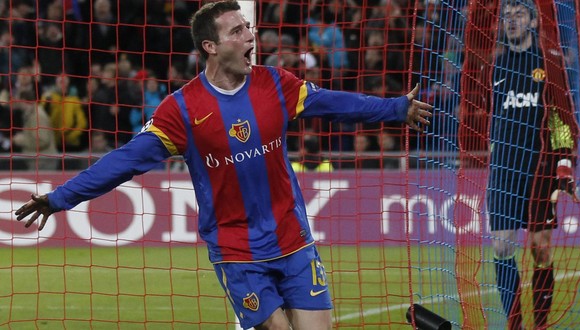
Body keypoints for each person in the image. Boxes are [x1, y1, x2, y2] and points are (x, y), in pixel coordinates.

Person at [14, 1, 432, 329]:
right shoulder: (181, 110)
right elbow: (124, 162)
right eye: (238, 30)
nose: (251, 35)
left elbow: (336, 104)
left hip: (294, 240)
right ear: (210, 47)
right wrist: (59, 198)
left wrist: (396, 107)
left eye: (247, 26)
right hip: (237, 251)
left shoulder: (275, 84)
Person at [487, 1, 579, 329]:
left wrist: (565, 164)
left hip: (539, 168)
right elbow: (492, 117)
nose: (512, 21)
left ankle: (539, 325)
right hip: (502, 169)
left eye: (519, 15)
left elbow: (563, 119)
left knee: (540, 249)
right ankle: (515, 325)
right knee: (500, 246)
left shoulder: (549, 63)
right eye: (507, 17)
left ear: (533, 20)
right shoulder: (495, 67)